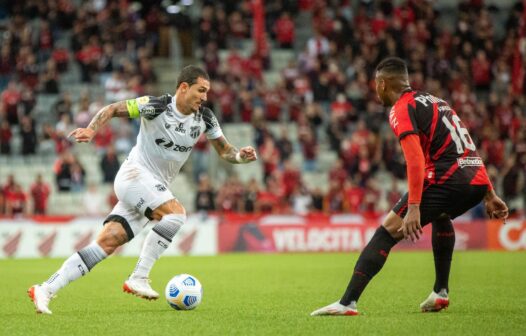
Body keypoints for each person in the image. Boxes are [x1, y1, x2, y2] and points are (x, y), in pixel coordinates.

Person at [28, 65, 257, 314]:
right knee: (176, 214)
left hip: (150, 189)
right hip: (134, 176)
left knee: (106, 243)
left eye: (207, 92)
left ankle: (46, 289)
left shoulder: (205, 117)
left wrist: (241, 156)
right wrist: (92, 129)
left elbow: (225, 151)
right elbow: (113, 108)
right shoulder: (157, 106)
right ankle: (139, 276)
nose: (204, 97)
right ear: (183, 87)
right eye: (201, 90)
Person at [311, 57, 508, 316]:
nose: (375, 91)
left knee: (388, 231)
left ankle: (347, 302)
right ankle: (440, 292)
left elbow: (414, 160)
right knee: (441, 215)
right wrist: (489, 192)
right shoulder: (437, 101)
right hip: (474, 181)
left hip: (446, 179)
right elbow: (467, 145)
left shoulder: (401, 108)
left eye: (375, 85)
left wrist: (414, 206)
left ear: (382, 84)